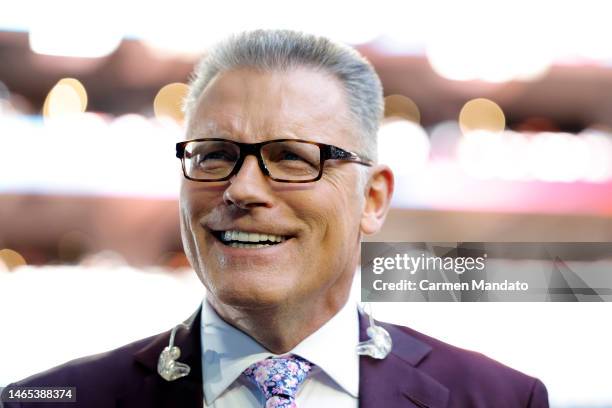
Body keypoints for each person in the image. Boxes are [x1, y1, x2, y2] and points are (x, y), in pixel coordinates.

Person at [3, 30, 549, 408]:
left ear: (373, 199)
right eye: (214, 154)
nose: (241, 189)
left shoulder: (497, 398)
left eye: (292, 157)